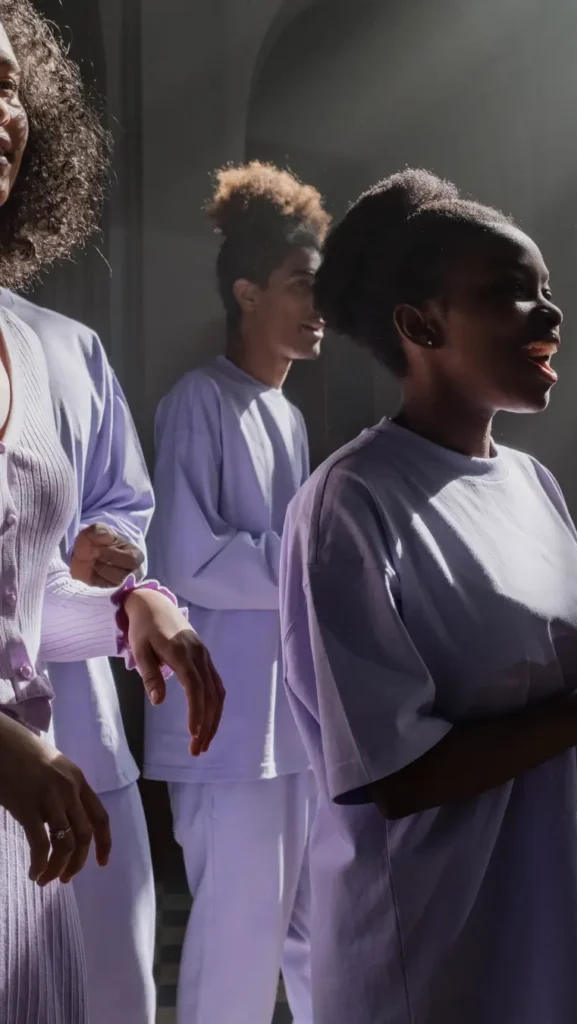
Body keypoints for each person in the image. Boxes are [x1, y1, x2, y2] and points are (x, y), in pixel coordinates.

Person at [277, 168, 577, 1024]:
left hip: (565, 920)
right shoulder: (351, 500)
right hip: (441, 951)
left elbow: (544, 675)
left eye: (544, 289)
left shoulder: (531, 481)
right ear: (419, 323)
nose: (548, 312)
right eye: (510, 293)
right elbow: (395, 773)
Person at [0, 4, 225, 1021]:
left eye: (8, 86)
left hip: (30, 800)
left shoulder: (45, 342)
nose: (1, 110)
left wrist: (132, 603)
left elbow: (25, 603)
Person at [146, 162, 329, 1024]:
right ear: (248, 293)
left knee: (310, 938)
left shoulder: (285, 416)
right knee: (236, 953)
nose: (317, 301)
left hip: (284, 728)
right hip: (221, 733)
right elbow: (186, 559)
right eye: (300, 284)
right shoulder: (199, 403)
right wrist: (316, 558)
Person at [0, 287, 157, 1024]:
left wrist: (130, 595)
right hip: (22, 751)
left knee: (110, 987)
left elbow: (116, 511)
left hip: (56, 741)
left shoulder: (49, 343)